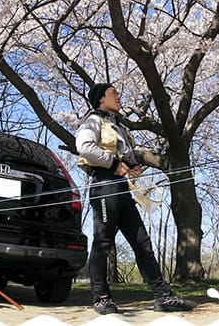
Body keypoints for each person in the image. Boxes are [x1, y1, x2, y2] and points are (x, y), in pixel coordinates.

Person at [75, 82, 196, 315]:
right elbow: (85, 147)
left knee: (142, 242)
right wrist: (114, 164)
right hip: (104, 186)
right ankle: (101, 298)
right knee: (102, 241)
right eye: (113, 93)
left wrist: (131, 165)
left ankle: (163, 296)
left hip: (122, 189)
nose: (119, 96)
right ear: (101, 98)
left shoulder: (116, 125)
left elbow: (122, 154)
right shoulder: (92, 121)